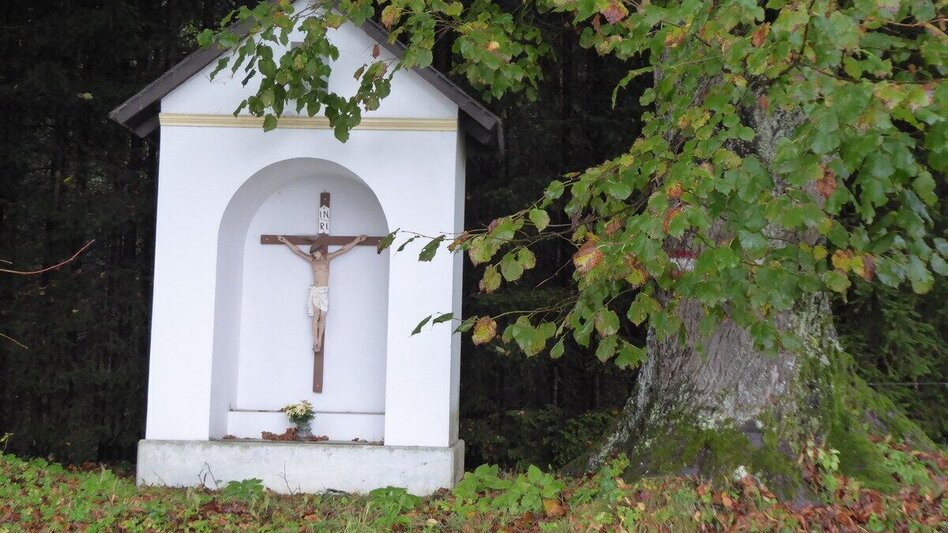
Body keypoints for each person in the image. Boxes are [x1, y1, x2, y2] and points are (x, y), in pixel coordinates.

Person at [276, 234, 367, 352]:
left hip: (324, 290)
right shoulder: (312, 261)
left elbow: (343, 250)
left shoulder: (327, 258)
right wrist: (285, 241)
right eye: (313, 253)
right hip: (316, 290)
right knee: (316, 316)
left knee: (323, 315)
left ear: (320, 251)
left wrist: (356, 241)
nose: (315, 255)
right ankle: (316, 341)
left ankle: (320, 338)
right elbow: (297, 251)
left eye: (316, 253)